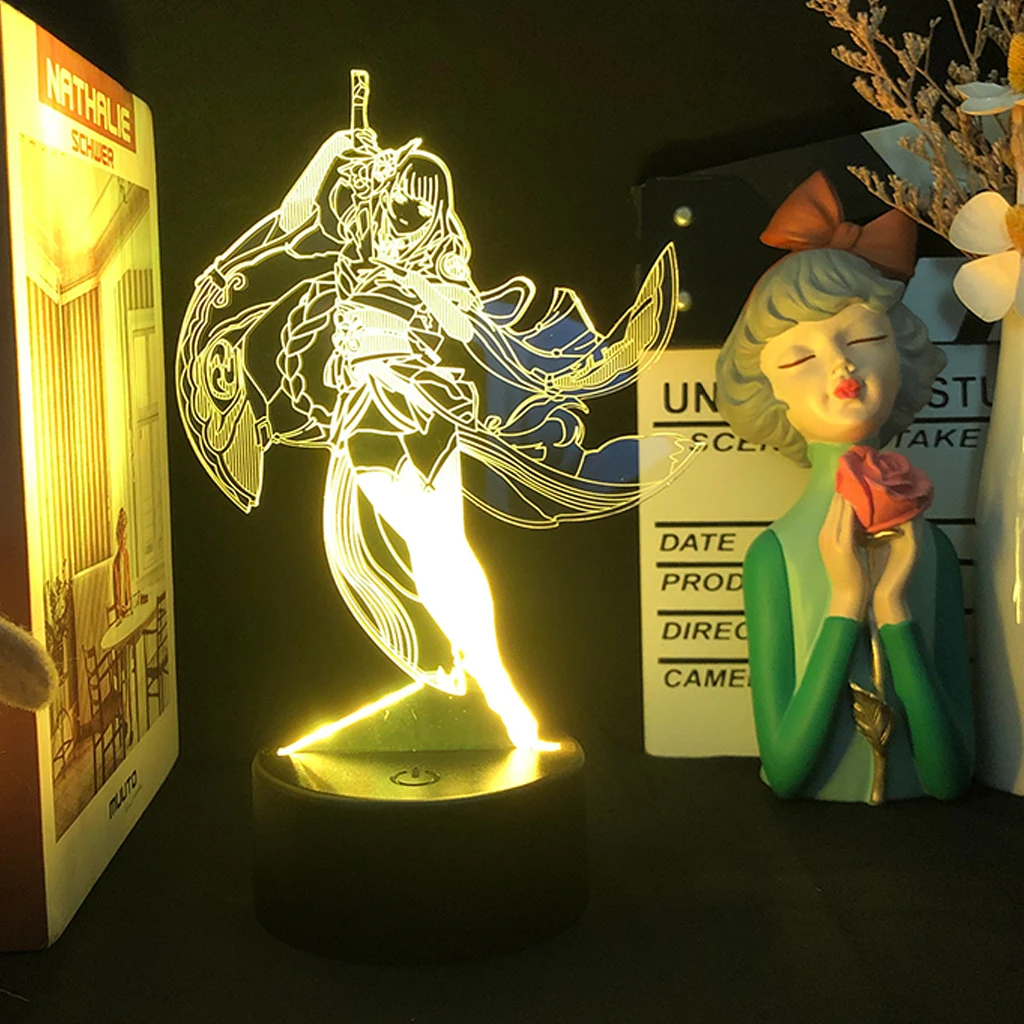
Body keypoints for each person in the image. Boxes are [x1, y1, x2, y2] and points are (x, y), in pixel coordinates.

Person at [177, 71, 694, 751]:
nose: (405, 219)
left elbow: (470, 330)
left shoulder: (437, 276)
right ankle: (494, 687)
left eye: (419, 211)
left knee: (444, 550)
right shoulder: (351, 246)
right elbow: (292, 220)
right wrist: (328, 158)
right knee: (428, 551)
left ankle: (492, 685)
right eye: (398, 205)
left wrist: (440, 298)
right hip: (369, 422)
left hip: (424, 414)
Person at [715, 172, 973, 802]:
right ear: (766, 391)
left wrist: (894, 611)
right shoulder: (773, 557)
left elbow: (950, 778)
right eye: (799, 358)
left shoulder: (931, 551)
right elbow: (784, 771)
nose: (840, 364)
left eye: (864, 337)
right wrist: (845, 604)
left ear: (902, 354)